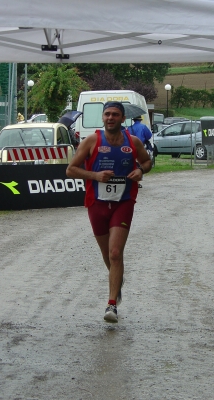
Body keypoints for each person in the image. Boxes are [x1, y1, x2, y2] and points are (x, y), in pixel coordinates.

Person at [66, 101, 152, 323]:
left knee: (115, 253)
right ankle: (117, 280)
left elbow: (146, 161)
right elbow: (71, 169)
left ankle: (111, 305)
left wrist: (140, 170)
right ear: (102, 118)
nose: (110, 118)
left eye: (115, 114)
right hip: (97, 203)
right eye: (107, 114)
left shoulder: (132, 142)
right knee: (108, 255)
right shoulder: (92, 140)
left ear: (123, 119)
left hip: (123, 202)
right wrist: (95, 176)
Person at [128, 116, 153, 188]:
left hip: (131, 147)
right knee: (141, 164)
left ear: (134, 120)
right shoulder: (143, 127)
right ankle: (138, 180)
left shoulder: (130, 128)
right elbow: (149, 136)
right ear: (140, 120)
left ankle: (133, 180)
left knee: (133, 164)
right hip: (141, 147)